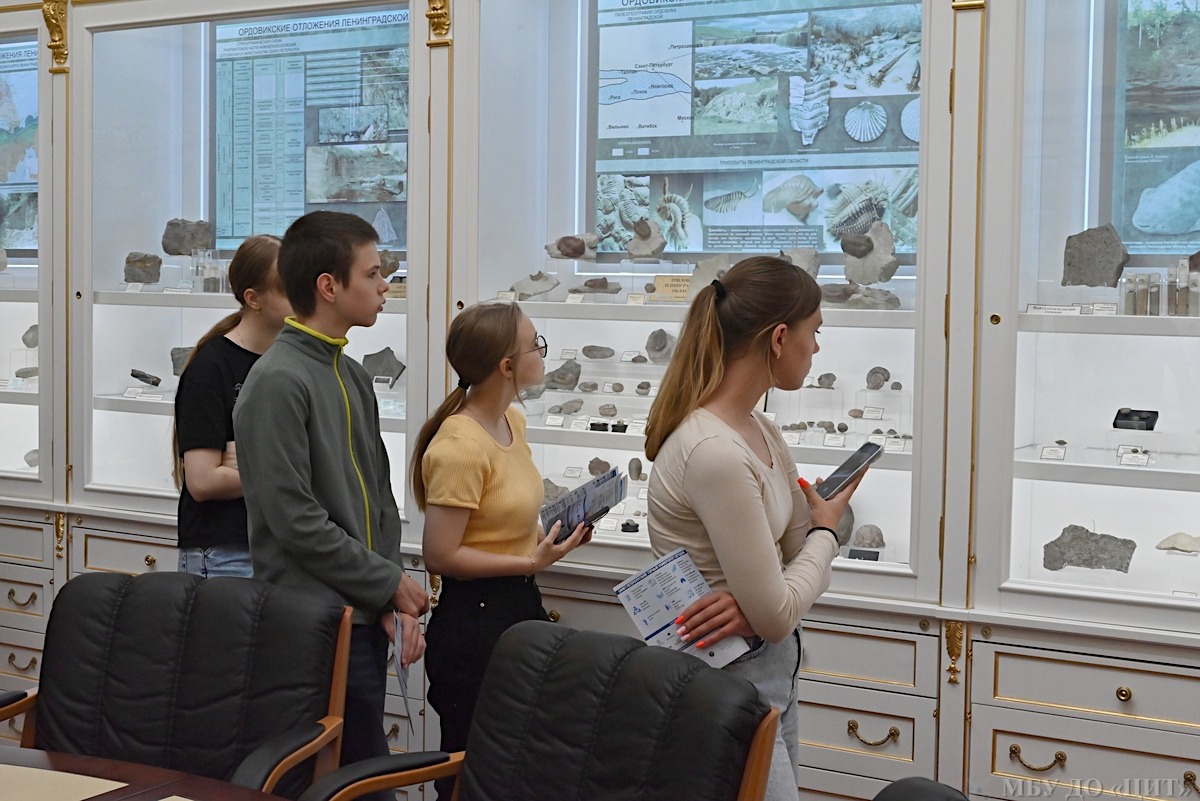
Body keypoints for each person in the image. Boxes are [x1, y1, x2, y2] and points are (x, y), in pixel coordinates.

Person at [644, 255, 865, 801]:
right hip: (728, 681)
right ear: (780, 338)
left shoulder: (759, 427)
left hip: (768, 671)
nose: (817, 348)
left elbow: (789, 566)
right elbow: (781, 608)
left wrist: (765, 599)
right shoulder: (715, 451)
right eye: (815, 332)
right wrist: (827, 536)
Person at [233, 211, 428, 799]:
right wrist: (388, 584)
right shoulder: (276, 381)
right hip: (310, 629)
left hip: (360, 617)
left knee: (362, 781)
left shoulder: (352, 375)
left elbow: (379, 502)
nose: (384, 285)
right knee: (326, 783)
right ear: (328, 286)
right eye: (372, 273)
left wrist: (389, 595)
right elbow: (295, 521)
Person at [411, 301, 589, 800]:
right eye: (536, 345)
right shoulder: (460, 446)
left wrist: (552, 537)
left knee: (519, 768)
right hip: (475, 623)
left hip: (516, 607)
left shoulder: (512, 420)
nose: (543, 353)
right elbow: (440, 555)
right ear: (507, 366)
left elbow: (504, 519)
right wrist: (530, 561)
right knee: (474, 771)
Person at [172, 234, 289, 578]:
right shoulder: (211, 368)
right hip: (225, 552)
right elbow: (203, 481)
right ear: (253, 299)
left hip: (279, 548)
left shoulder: (289, 361)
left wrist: (247, 461)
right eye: (288, 289)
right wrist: (286, 470)